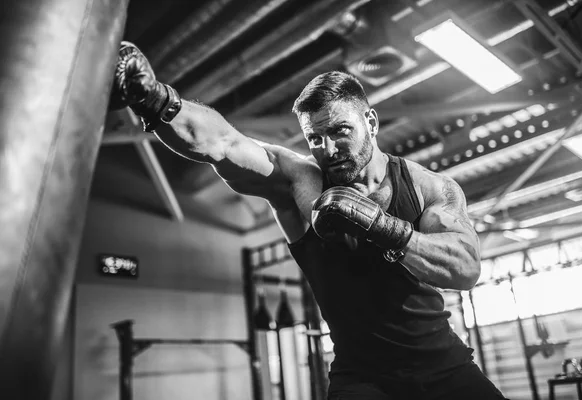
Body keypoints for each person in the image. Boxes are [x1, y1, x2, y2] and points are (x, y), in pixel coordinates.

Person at [110, 42, 507, 399]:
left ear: (370, 122)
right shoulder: (300, 182)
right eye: (315, 138)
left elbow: (465, 268)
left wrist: (380, 225)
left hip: (444, 365)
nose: (328, 149)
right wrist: (155, 100)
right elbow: (224, 143)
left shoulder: (427, 187)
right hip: (362, 378)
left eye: (340, 131)